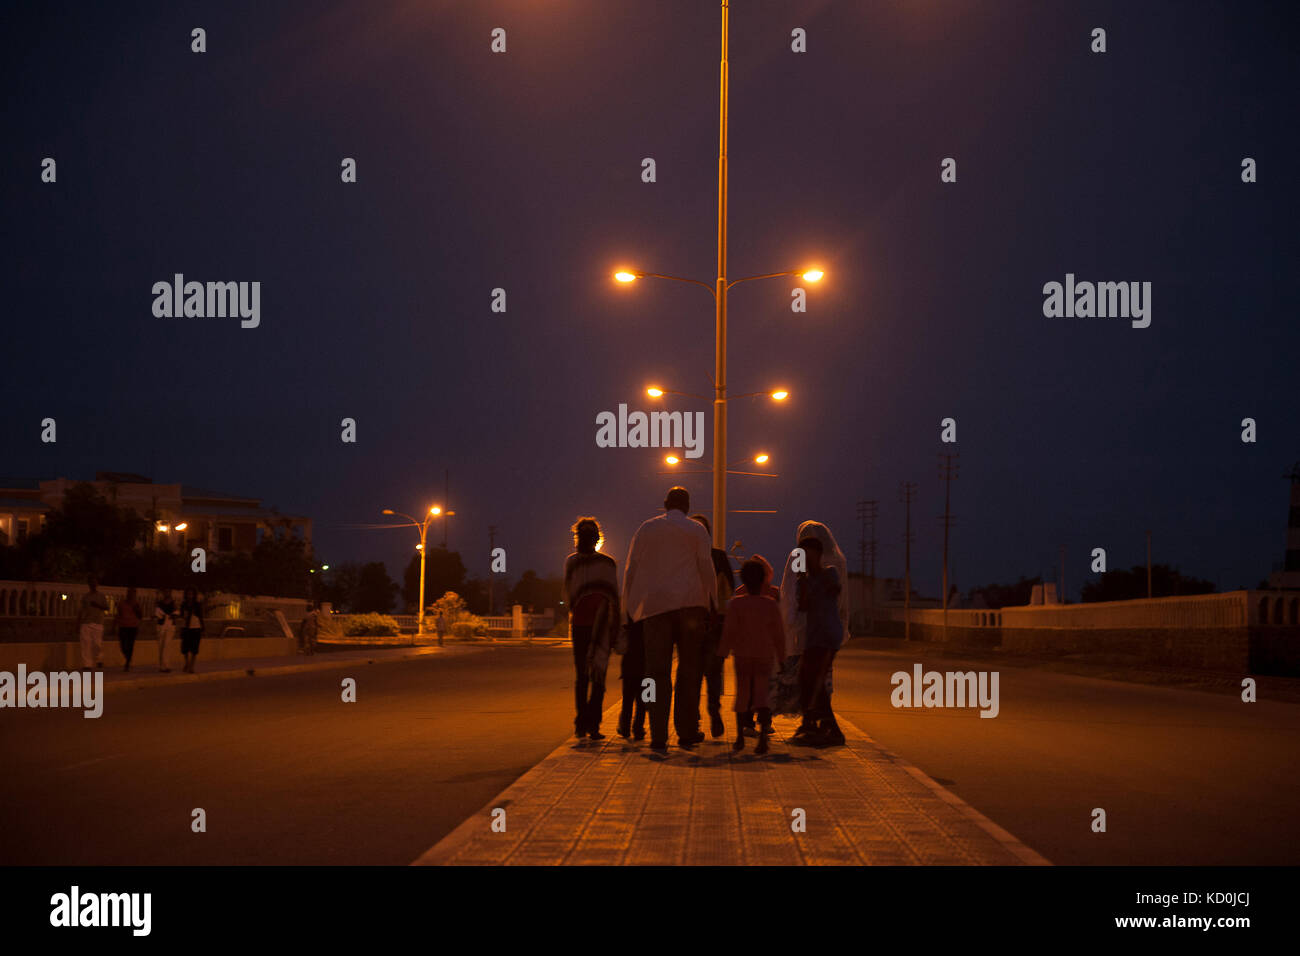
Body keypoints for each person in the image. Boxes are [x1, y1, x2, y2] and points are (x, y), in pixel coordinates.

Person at [621, 486, 716, 752]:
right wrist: (714, 604)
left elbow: (631, 568)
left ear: (665, 504)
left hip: (655, 610)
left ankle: (658, 735)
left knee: (656, 673)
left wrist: (627, 608)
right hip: (690, 608)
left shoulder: (646, 529)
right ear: (687, 506)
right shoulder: (697, 530)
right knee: (688, 671)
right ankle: (686, 732)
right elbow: (706, 567)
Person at [773, 521, 850, 746]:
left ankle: (821, 726)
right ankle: (818, 725)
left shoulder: (827, 571)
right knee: (814, 680)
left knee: (811, 679)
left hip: (819, 634)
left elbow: (790, 599)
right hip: (819, 633)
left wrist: (788, 630)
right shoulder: (834, 563)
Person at [718, 559, 786, 755]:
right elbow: (778, 634)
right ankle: (763, 740)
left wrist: (722, 653)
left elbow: (729, 631)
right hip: (764, 656)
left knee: (743, 694)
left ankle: (739, 737)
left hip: (742, 656)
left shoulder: (736, 604)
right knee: (761, 695)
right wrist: (782, 658)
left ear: (743, 580)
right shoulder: (770, 604)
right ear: (764, 579)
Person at [562, 517, 620, 740]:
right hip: (602, 627)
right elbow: (614, 597)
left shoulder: (572, 562)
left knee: (582, 676)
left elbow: (568, 594)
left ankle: (581, 724)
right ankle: (593, 725)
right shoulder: (608, 563)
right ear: (598, 538)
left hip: (579, 625)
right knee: (598, 676)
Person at [691, 513, 735, 738]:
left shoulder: (685, 557)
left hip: (694, 624)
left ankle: (696, 719)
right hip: (714, 622)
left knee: (693, 673)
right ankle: (711, 713)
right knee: (713, 672)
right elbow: (730, 590)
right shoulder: (718, 556)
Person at [733, 554, 781, 736]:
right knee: (764, 689)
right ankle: (764, 724)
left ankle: (745, 726)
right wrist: (783, 654)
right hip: (766, 652)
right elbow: (779, 626)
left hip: (743, 652)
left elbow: (731, 626)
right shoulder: (774, 595)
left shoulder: (738, 594)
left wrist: (725, 649)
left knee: (745, 690)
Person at [617, 617, 647, 740]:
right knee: (644, 702)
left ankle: (625, 728)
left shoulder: (628, 625)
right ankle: (638, 729)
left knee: (627, 701)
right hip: (646, 669)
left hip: (629, 668)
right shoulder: (649, 626)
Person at [78, 576, 109, 669]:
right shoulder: (85, 597)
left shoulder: (101, 596)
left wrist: (97, 605)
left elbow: (107, 608)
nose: (93, 585)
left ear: (97, 584)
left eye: (95, 583)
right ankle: (87, 665)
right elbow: (81, 611)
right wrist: (77, 623)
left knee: (97, 644)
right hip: (86, 622)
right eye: (91, 583)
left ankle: (99, 659)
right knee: (86, 644)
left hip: (98, 623)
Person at [115, 586, 143, 672]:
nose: (130, 595)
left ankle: (127, 663)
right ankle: (128, 658)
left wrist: (136, 609)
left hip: (133, 627)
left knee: (130, 645)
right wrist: (114, 625)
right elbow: (118, 614)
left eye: (132, 593)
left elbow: (140, 616)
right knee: (123, 645)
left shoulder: (136, 604)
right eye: (129, 593)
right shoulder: (121, 603)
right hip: (123, 626)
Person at [179, 588, 204, 673]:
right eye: (188, 594)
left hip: (195, 627)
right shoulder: (184, 604)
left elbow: (200, 616)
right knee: (185, 648)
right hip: (186, 627)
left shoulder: (197, 605)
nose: (190, 596)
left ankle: (191, 666)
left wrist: (202, 628)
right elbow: (181, 615)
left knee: (194, 648)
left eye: (191, 594)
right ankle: (187, 663)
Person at [155, 588, 177, 672]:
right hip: (161, 626)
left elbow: (176, 613)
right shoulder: (160, 603)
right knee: (161, 646)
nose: (166, 593)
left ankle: (166, 665)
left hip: (170, 625)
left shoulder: (173, 603)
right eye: (165, 591)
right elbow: (157, 613)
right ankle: (162, 665)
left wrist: (172, 615)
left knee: (167, 645)